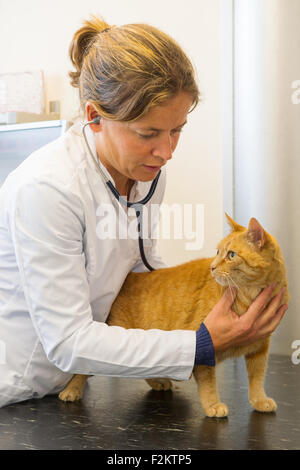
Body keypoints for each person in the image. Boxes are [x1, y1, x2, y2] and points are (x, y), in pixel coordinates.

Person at [0, 16, 288, 408]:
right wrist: (200, 342)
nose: (167, 152)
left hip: (76, 383)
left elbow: (139, 270)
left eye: (177, 130)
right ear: (93, 116)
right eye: (148, 134)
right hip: (22, 386)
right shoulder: (46, 190)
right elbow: (68, 341)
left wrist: (197, 304)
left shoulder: (147, 174)